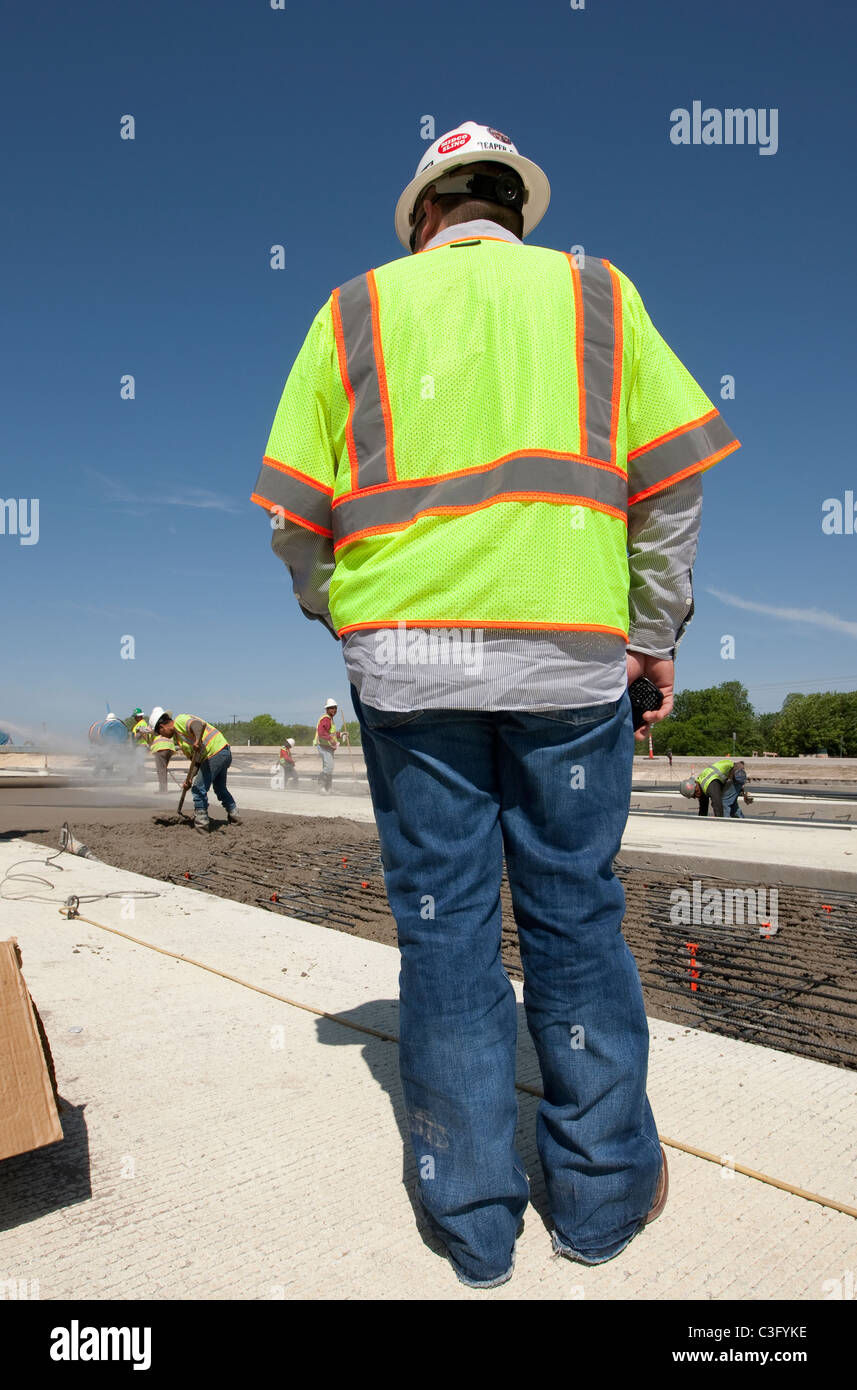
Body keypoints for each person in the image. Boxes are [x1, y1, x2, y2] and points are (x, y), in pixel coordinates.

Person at [251, 120, 739, 1286]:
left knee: (444, 928)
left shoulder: (354, 310)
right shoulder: (597, 295)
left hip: (409, 672)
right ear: (510, 206)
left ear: (422, 212)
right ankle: (600, 1201)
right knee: (575, 915)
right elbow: (671, 488)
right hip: (569, 664)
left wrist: (345, 617)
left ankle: (471, 1218)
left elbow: (290, 521)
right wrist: (650, 635)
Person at [148, 708, 240, 832]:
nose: (162, 736)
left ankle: (202, 825)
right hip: (222, 752)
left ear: (162, 726)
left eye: (160, 733)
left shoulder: (180, 720)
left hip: (214, 753)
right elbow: (196, 762)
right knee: (220, 789)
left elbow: (196, 725)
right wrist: (189, 779)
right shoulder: (179, 739)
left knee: (198, 789)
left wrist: (197, 740)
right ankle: (235, 817)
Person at [679, 757, 751, 817]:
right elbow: (703, 809)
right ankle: (742, 823)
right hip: (732, 776)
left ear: (696, 786)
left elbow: (717, 805)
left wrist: (717, 824)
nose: (697, 796)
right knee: (731, 804)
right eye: (694, 796)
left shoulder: (710, 785)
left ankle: (725, 827)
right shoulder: (701, 786)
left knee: (724, 802)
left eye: (695, 793)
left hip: (737, 774)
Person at [128, 708, 178, 793]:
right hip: (170, 748)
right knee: (163, 768)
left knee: (161, 770)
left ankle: (163, 790)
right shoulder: (169, 723)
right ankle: (163, 788)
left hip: (161, 747)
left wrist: (139, 730)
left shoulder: (156, 724)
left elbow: (148, 730)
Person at [313, 699, 340, 794]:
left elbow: (331, 733)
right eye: (332, 708)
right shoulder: (326, 719)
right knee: (328, 767)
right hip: (323, 746)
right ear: (327, 709)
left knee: (330, 767)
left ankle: (328, 788)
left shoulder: (330, 719)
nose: (334, 710)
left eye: (335, 708)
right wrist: (331, 739)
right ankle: (321, 787)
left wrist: (341, 734)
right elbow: (321, 733)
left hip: (328, 746)